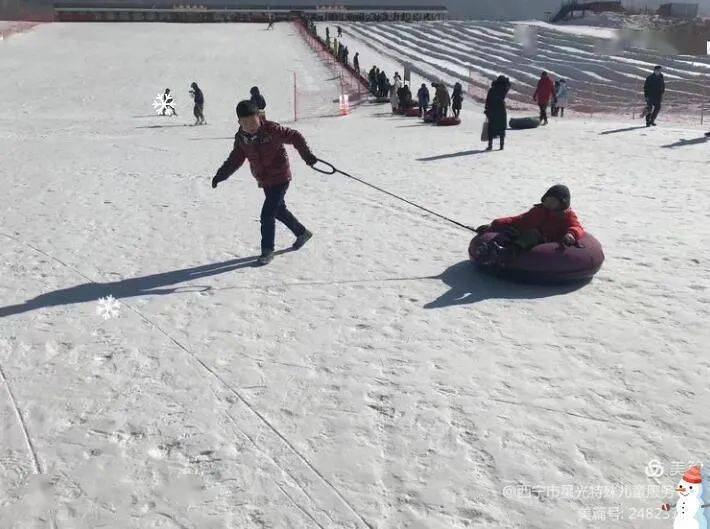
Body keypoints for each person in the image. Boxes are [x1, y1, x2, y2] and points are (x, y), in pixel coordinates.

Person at [211, 101, 318, 265]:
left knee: (267, 214)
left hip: (281, 176)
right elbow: (235, 159)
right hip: (264, 179)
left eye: (253, 121)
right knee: (278, 210)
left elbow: (295, 136)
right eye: (245, 122)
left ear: (259, 117)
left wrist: (307, 157)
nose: (250, 126)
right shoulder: (241, 139)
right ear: (239, 122)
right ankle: (302, 233)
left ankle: (267, 250)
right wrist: (220, 175)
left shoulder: (272, 130)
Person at [474, 185, 584, 265]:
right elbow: (519, 219)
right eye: (547, 200)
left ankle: (508, 253)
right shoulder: (538, 210)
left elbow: (577, 227)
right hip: (525, 233)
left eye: (553, 202)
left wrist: (571, 234)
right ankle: (491, 248)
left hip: (546, 239)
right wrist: (495, 224)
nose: (548, 204)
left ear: (562, 204)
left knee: (533, 234)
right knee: (511, 231)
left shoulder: (567, 215)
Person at [484, 75, 510, 151]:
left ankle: (490, 145)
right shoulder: (504, 89)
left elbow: (488, 100)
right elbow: (508, 84)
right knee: (501, 127)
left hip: (492, 109)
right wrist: (506, 80)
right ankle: (501, 145)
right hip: (501, 109)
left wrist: (486, 109)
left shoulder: (492, 89)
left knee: (491, 127)